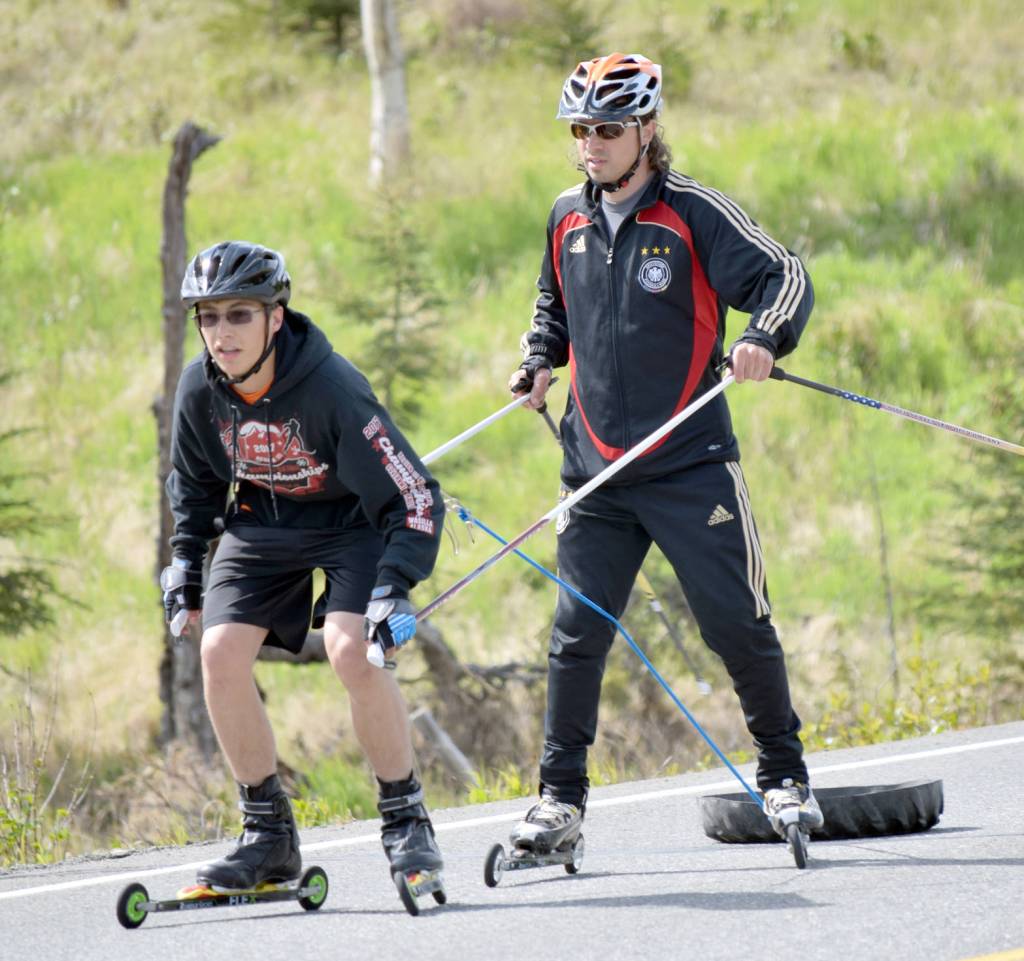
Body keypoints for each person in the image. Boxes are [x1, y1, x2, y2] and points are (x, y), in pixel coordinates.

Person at [507, 53, 823, 852]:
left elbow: (787, 276)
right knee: (576, 633)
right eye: (579, 129)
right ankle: (560, 802)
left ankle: (784, 777)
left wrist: (761, 336)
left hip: (689, 465)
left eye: (608, 128)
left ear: (647, 130)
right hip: (597, 471)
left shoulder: (693, 213)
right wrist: (539, 356)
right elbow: (554, 304)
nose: (591, 144)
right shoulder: (565, 218)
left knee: (735, 623)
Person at [162, 240, 446, 891]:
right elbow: (196, 484)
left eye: (239, 314)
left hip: (351, 524)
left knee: (354, 650)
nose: (221, 333)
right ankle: (268, 837)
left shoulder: (332, 388)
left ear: (276, 315)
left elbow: (415, 495)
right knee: (219, 654)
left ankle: (406, 818)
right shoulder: (198, 388)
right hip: (264, 522)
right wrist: (185, 563)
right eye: (208, 317)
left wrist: (395, 586)